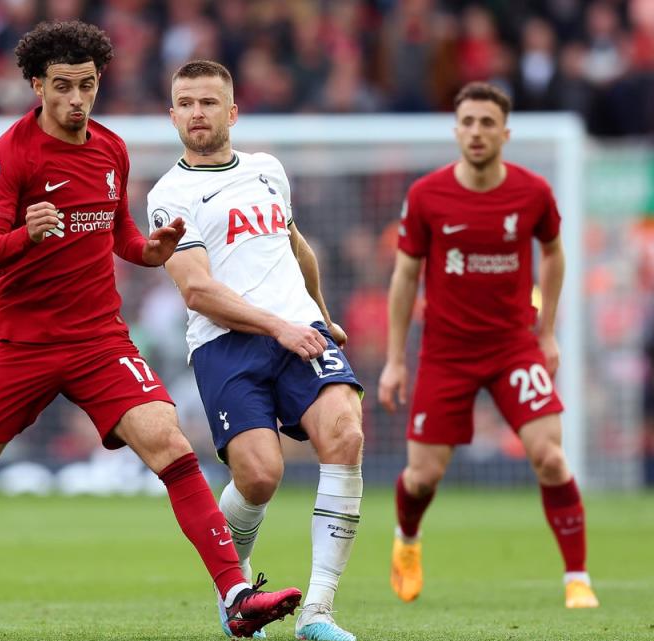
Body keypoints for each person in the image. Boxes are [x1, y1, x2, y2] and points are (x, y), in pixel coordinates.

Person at [0, 21, 301, 637]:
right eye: (62, 86)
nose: (76, 99)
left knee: (172, 447)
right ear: (38, 85)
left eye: (87, 86)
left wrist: (155, 249)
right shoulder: (11, 154)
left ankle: (234, 596)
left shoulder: (112, 150)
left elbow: (121, 239)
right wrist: (26, 234)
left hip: (99, 340)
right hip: (23, 348)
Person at [149, 60, 365, 641]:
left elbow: (296, 248)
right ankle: (236, 594)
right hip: (227, 344)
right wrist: (278, 327)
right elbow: (197, 289)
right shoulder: (169, 195)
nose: (197, 112)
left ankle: (318, 614)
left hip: (298, 328)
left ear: (232, 112)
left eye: (209, 102)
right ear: (172, 115)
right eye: (186, 103)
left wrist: (319, 313)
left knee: (345, 434)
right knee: (261, 476)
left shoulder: (268, 170)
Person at [377, 81, 599, 609]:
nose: (476, 132)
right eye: (468, 122)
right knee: (424, 475)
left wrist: (546, 333)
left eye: (487, 123)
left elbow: (555, 254)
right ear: (456, 130)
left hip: (511, 348)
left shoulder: (532, 193)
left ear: (505, 132)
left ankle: (577, 578)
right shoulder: (427, 195)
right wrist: (393, 361)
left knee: (549, 455)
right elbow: (405, 278)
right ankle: (407, 540)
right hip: (445, 352)